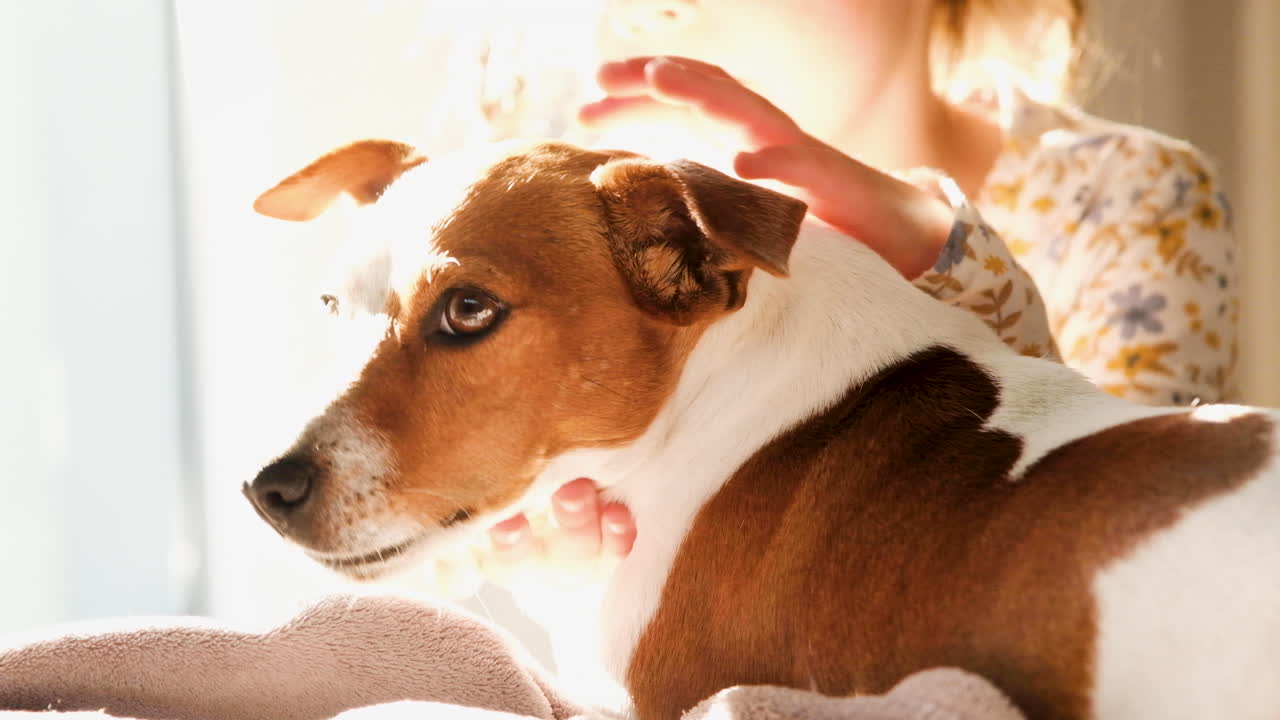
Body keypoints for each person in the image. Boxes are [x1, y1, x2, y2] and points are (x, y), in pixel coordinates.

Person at [477, 0, 1237, 592]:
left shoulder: (1119, 193)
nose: (653, 7)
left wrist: (954, 270)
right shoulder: (575, 235)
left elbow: (1134, 548)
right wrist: (574, 581)